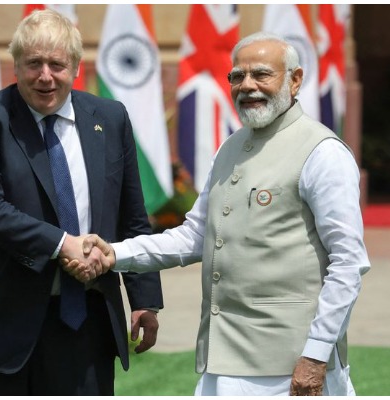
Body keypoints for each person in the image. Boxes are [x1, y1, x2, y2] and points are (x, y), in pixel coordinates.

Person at [66, 32, 370, 396]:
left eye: (261, 75)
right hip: (222, 360)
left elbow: (348, 263)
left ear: (295, 79)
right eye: (237, 77)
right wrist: (115, 254)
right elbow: (195, 236)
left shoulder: (323, 152)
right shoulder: (231, 147)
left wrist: (317, 355)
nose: (248, 86)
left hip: (290, 366)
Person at [0, 9, 163, 396]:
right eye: (34, 64)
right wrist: (63, 244)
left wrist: (144, 299)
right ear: (16, 66)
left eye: (57, 64)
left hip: (86, 326)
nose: (45, 76)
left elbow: (131, 216)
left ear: (76, 67)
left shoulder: (110, 118)